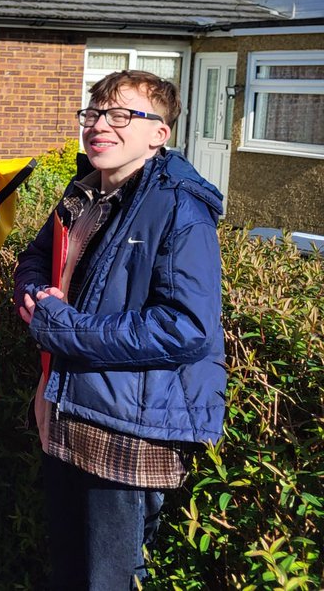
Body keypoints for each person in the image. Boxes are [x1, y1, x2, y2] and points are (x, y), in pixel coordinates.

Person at [14, 70, 226, 590]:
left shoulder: (179, 207)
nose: (100, 125)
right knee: (67, 568)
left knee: (108, 578)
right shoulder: (84, 190)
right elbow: (37, 258)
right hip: (70, 406)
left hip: (129, 425)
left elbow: (186, 328)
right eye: (94, 113)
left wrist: (59, 326)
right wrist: (32, 290)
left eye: (121, 115)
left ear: (161, 134)